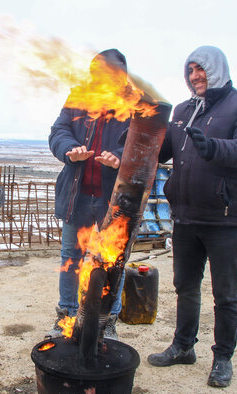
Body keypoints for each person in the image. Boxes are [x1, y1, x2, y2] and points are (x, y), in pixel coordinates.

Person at [148, 46, 237, 387]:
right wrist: (138, 137)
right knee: (185, 287)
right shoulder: (184, 110)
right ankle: (183, 347)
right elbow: (163, 150)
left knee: (225, 294)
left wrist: (212, 147)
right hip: (186, 216)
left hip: (225, 219)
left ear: (217, 70)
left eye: (201, 70)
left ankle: (223, 359)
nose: (195, 76)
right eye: (190, 71)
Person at [47, 49, 132, 340]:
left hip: (114, 199)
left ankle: (107, 320)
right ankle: (66, 316)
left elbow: (142, 144)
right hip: (78, 193)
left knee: (114, 261)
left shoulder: (133, 104)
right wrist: (70, 150)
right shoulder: (79, 98)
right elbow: (58, 130)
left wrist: (119, 158)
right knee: (71, 257)